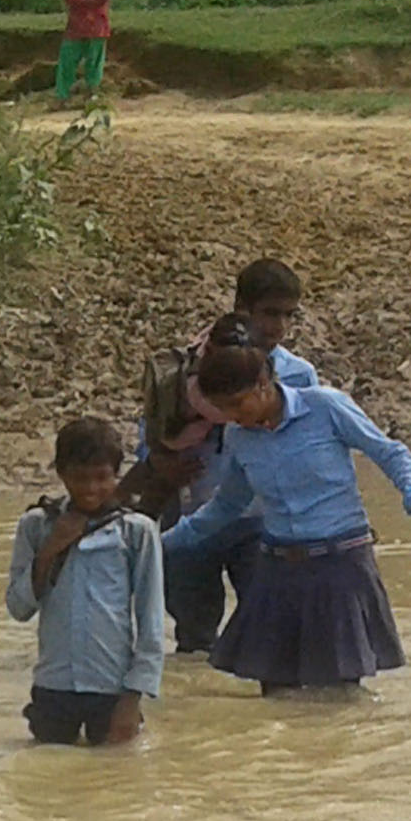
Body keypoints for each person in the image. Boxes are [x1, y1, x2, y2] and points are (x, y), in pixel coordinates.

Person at [185, 335, 411, 694]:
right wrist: (159, 542)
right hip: (277, 572)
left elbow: (390, 454)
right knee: (275, 695)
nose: (231, 417)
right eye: (222, 410)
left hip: (340, 566)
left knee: (339, 694)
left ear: (263, 385)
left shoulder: (326, 407)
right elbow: (227, 506)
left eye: (235, 405)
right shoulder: (238, 437)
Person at [148, 261, 321, 650]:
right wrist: (163, 464)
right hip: (194, 514)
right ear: (241, 308)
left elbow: (310, 450)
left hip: (262, 520)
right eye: (269, 313)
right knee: (194, 634)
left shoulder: (298, 375)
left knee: (270, 625)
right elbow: (154, 436)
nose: (279, 326)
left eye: (287, 315)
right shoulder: (188, 368)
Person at [5, 415, 165, 746]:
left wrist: (133, 698)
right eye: (79, 478)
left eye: (102, 477)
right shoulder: (36, 526)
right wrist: (50, 550)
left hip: (113, 687)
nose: (91, 488)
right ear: (61, 474)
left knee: (116, 780)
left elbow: (151, 621)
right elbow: (18, 608)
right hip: (54, 686)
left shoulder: (136, 530)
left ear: (117, 475)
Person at [57, 0, 111, 103]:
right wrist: (89, 1)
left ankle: (92, 93)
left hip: (97, 26)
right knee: (67, 61)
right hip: (76, 26)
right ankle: (62, 96)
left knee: (94, 62)